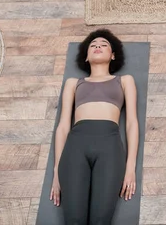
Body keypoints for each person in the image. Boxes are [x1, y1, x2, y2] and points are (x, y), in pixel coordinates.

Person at [49, 29, 139, 224]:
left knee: (101, 220)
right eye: (93, 45)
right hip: (75, 146)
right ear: (87, 57)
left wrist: (130, 167)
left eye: (104, 44)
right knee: (74, 219)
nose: (98, 46)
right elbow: (63, 126)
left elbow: (131, 123)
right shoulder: (74, 83)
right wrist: (56, 172)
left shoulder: (124, 81)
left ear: (113, 55)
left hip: (110, 147)